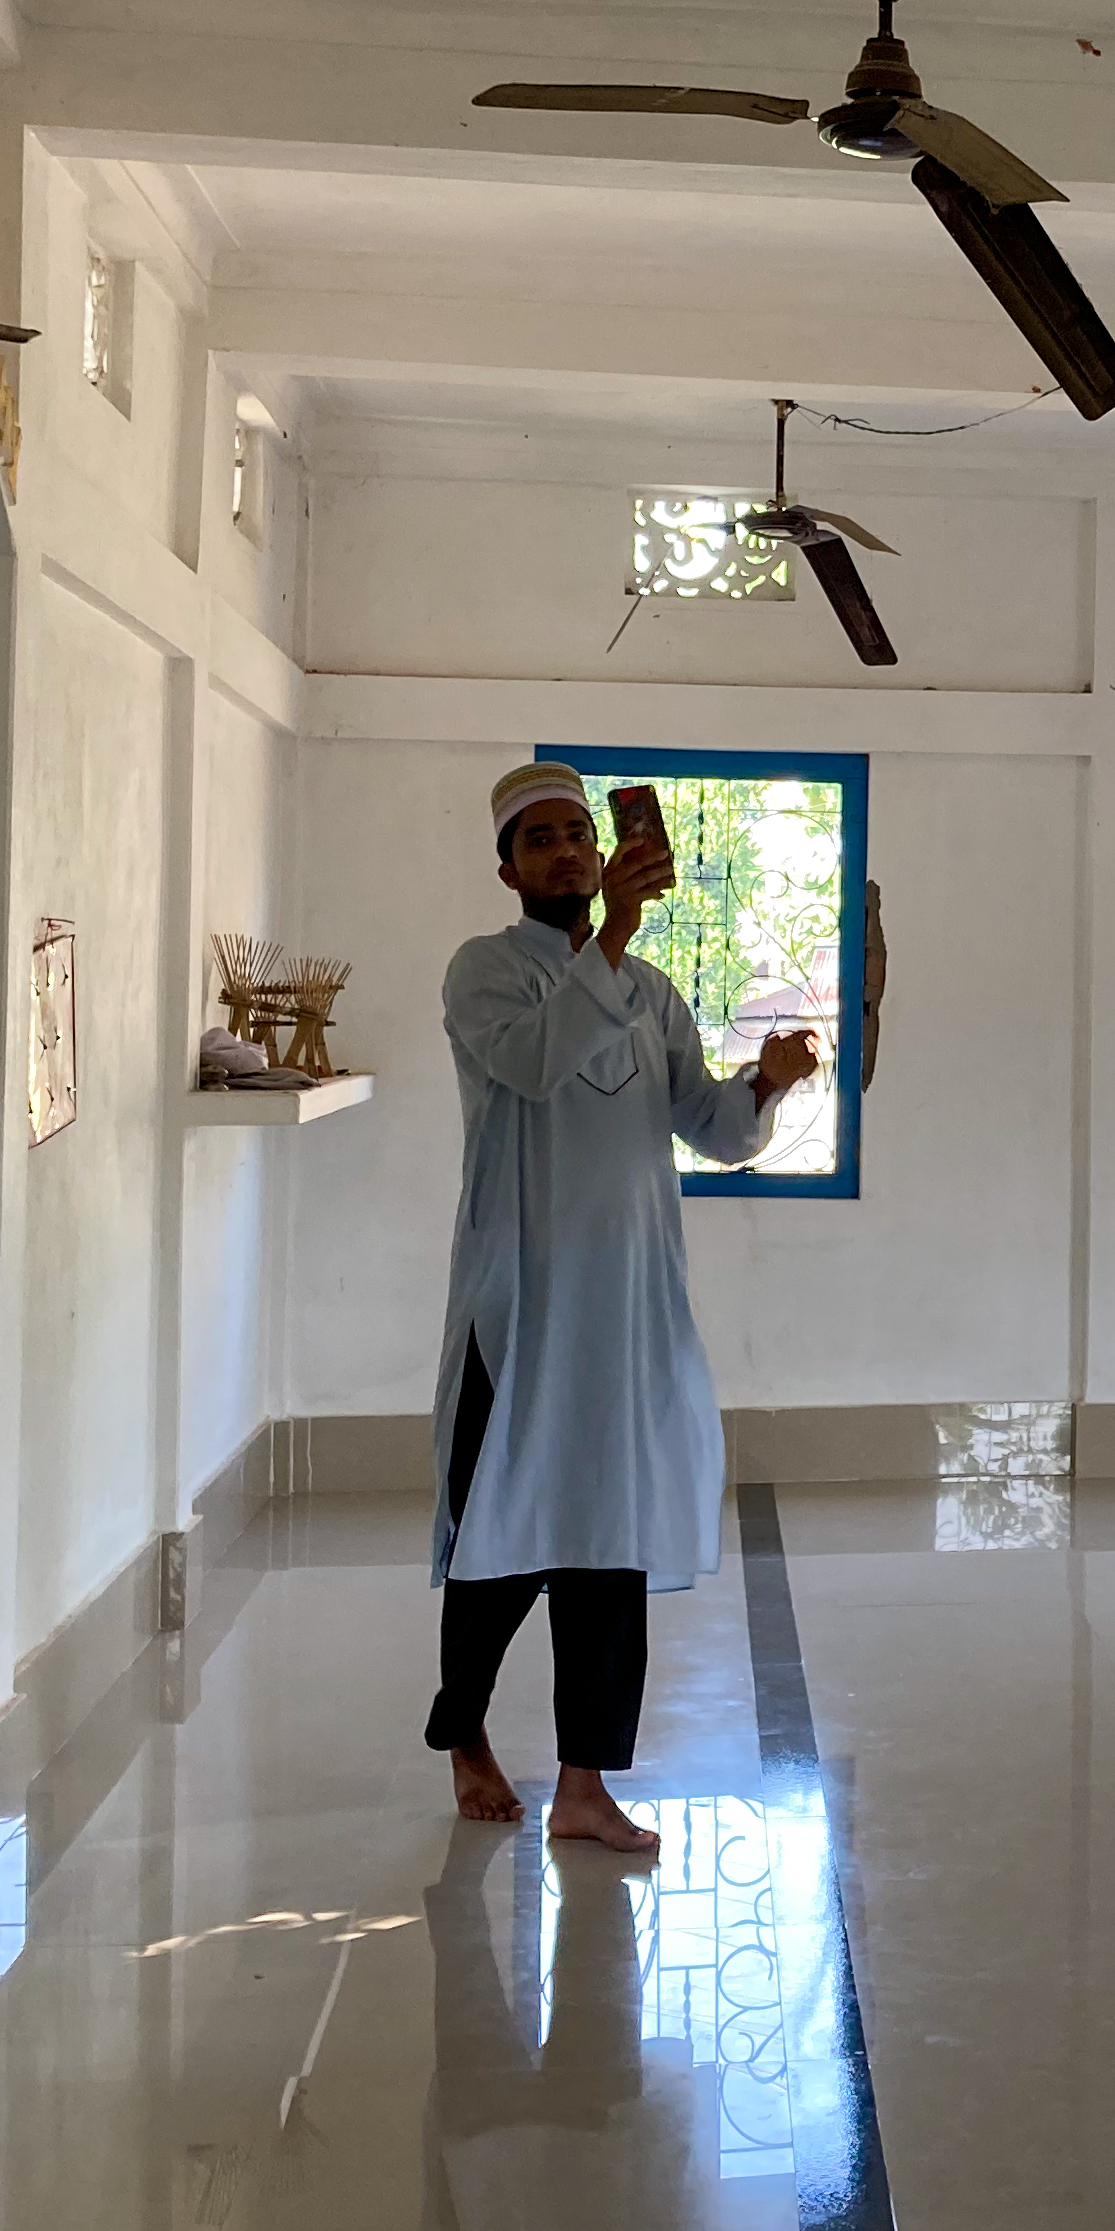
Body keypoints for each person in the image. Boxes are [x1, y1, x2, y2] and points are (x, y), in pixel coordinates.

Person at [426, 762, 818, 1854]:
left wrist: (770, 1084)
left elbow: (713, 1128)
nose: (565, 852)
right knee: (497, 1544)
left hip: (629, 1316)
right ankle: (464, 1737)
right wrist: (617, 936)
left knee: (609, 1548)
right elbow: (542, 1065)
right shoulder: (485, 975)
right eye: (539, 839)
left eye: (578, 836)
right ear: (507, 867)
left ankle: (585, 1784)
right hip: (523, 1309)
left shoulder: (649, 992)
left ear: (603, 856)